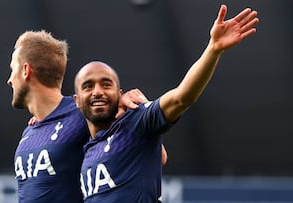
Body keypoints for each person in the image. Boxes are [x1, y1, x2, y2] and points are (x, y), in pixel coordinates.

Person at [73, 5, 259, 202]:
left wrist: (213, 49)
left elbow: (181, 97)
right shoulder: (86, 148)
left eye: (106, 84)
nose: (98, 91)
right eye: (88, 86)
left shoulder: (135, 122)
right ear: (76, 100)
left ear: (119, 94)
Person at [7, 30, 151, 202]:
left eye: (12, 70)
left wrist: (136, 110)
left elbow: (153, 155)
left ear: (25, 71)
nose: (9, 80)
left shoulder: (83, 114)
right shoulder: (29, 131)